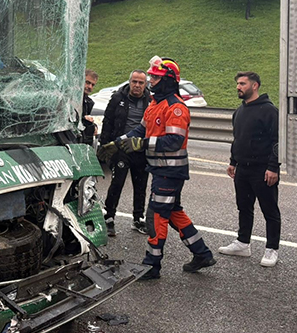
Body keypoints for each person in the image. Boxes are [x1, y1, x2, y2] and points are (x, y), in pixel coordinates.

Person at [100, 56, 215, 280]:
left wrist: (141, 145)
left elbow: (173, 141)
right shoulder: (154, 104)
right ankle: (202, 253)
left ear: (169, 81)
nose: (151, 80)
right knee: (172, 212)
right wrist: (118, 142)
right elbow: (140, 131)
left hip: (170, 172)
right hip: (161, 170)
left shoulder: (176, 108)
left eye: (156, 77)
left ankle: (152, 265)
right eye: (151, 76)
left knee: (155, 216)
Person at [218, 72, 281, 267]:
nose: (238, 87)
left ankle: (272, 249)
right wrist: (233, 161)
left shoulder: (269, 111)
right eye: (237, 83)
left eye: (243, 84)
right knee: (243, 208)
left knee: (269, 211)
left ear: (255, 86)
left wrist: (273, 167)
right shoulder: (239, 111)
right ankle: (243, 243)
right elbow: (238, 139)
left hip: (262, 170)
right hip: (242, 170)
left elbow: (277, 141)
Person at [99, 69, 150, 237]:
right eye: (134, 81)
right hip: (121, 149)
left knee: (140, 184)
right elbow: (108, 120)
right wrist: (104, 145)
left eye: (140, 82)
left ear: (145, 84)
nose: (137, 85)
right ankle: (109, 217)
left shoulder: (150, 101)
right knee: (117, 183)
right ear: (129, 82)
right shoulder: (117, 98)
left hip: (140, 149)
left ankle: (137, 218)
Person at [81, 70, 98, 146]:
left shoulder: (89, 102)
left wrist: (94, 126)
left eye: (93, 85)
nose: (90, 87)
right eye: (87, 83)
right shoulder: (70, 98)